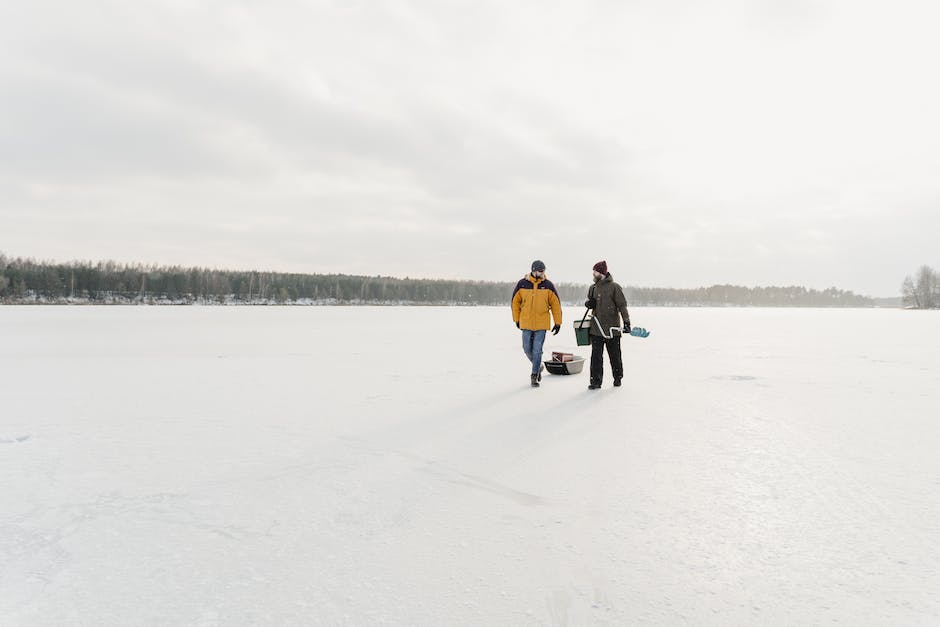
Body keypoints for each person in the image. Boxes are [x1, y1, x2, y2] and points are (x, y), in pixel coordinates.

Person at [511, 260, 562, 387]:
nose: (543, 273)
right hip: (526, 322)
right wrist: (517, 319)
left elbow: (556, 305)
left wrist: (558, 322)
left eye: (544, 271)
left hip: (541, 324)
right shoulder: (522, 284)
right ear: (534, 270)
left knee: (537, 350)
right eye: (540, 271)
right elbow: (515, 302)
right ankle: (538, 365)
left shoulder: (548, 285)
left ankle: (534, 375)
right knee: (527, 349)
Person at [584, 260, 631, 389]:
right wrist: (589, 303)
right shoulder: (592, 288)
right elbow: (590, 301)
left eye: (595, 271)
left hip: (612, 328)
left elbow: (622, 306)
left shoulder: (614, 287)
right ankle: (595, 381)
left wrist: (626, 322)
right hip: (596, 328)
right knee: (596, 357)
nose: (593, 273)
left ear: (602, 273)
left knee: (615, 356)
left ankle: (617, 378)